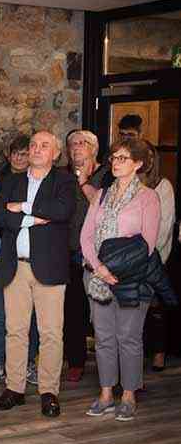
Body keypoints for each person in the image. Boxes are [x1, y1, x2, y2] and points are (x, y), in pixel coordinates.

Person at [0, 131, 76, 418]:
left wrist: (23, 207)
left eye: (44, 146)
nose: (37, 150)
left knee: (51, 333)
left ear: (56, 153)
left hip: (49, 268)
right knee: (15, 330)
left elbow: (62, 211)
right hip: (15, 266)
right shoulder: (13, 180)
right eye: (34, 145)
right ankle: (14, 388)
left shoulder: (64, 180)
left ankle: (49, 391)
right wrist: (34, 219)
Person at [80, 139, 162, 421]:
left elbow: (148, 244)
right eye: (114, 157)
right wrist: (100, 268)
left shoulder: (148, 197)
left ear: (138, 164)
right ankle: (105, 394)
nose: (116, 163)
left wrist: (118, 270)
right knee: (103, 338)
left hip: (132, 279)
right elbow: (86, 236)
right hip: (98, 277)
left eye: (123, 158)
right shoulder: (101, 195)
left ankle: (128, 394)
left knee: (128, 338)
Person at [0, 135, 39, 386]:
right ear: (8, 155)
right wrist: (25, 216)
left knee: (32, 316)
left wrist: (19, 213)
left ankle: (28, 363)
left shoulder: (40, 179)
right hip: (0, 254)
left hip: (33, 255)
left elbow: (47, 213)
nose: (20, 158)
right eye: (15, 153)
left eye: (24, 153)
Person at [62, 129, 109, 382]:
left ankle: (109, 366)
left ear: (94, 149)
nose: (77, 147)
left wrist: (84, 181)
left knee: (103, 312)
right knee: (73, 310)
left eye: (83, 143)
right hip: (69, 252)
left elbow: (103, 207)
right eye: (73, 144)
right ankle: (76, 361)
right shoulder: (62, 176)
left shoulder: (108, 174)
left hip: (100, 254)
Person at [139, 142, 175, 371]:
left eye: (149, 156)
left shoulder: (163, 186)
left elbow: (164, 224)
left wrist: (148, 255)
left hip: (155, 256)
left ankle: (159, 351)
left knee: (155, 306)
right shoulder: (127, 184)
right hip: (129, 259)